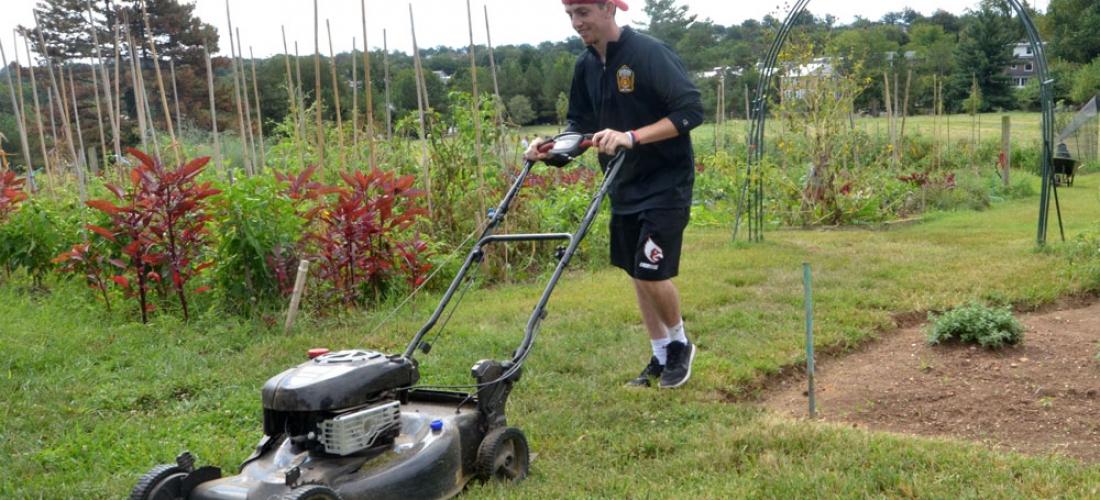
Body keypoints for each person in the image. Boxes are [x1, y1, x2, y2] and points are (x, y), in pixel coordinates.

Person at [525, 0, 703, 388]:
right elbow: (580, 125)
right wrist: (550, 148)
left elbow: (690, 110)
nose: (576, 23)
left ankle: (680, 345)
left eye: (583, 12)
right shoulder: (585, 66)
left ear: (609, 9)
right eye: (570, 14)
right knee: (636, 272)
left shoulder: (648, 53)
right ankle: (658, 356)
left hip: (665, 181)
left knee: (651, 268)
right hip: (622, 184)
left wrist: (632, 136)